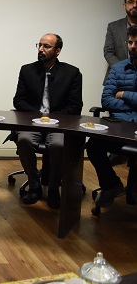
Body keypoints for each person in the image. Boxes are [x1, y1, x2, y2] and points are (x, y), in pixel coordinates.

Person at [13, 33, 82, 208]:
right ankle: (34, 185)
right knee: (24, 140)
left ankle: (53, 188)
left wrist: (52, 119)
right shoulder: (27, 70)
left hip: (58, 124)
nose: (41, 49)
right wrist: (38, 116)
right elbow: (18, 101)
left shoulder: (72, 73)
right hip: (33, 122)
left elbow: (75, 106)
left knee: (59, 145)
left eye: (46, 46)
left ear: (57, 51)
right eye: (40, 45)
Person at [87, 25, 137, 207]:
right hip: (119, 126)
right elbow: (107, 100)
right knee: (93, 145)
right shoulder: (118, 68)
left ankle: (133, 190)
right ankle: (111, 184)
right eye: (130, 42)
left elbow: (116, 97)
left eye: (136, 43)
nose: (132, 47)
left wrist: (124, 94)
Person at [103, 0, 137, 83]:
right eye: (131, 2)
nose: (135, 5)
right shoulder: (113, 26)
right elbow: (108, 52)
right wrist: (123, 70)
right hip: (117, 77)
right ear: (124, 5)